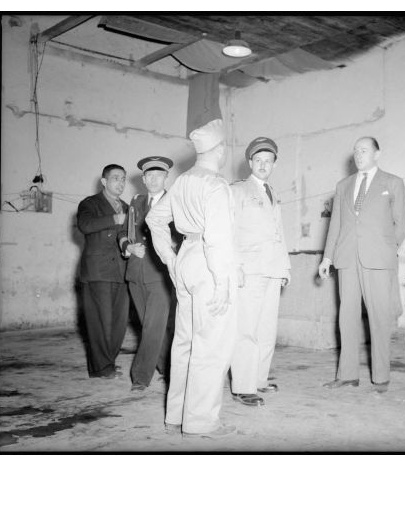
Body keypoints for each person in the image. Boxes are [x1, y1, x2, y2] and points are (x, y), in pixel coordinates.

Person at [146, 119, 237, 438]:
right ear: (220, 149)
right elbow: (218, 240)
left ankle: (175, 416)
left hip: (185, 257)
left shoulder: (183, 181)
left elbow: (154, 218)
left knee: (184, 341)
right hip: (208, 264)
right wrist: (224, 282)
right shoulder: (215, 185)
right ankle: (200, 422)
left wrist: (171, 259)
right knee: (211, 344)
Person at [318, 137, 405, 393]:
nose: (359, 154)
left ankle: (381, 376)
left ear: (377, 154)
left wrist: (387, 249)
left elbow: (402, 223)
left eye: (364, 150)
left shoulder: (392, 183)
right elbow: (335, 224)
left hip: (378, 260)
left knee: (380, 317)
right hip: (346, 259)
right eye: (356, 151)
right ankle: (347, 374)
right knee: (346, 316)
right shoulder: (343, 186)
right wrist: (327, 258)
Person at [230, 137, 291, 407]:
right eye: (258, 160)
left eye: (268, 161)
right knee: (246, 330)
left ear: (274, 164)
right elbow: (228, 232)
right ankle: (243, 386)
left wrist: (285, 267)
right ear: (249, 163)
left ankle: (259, 380)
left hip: (273, 269)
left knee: (267, 330)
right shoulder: (237, 191)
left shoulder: (272, 192)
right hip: (250, 270)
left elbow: (279, 232)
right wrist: (235, 267)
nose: (263, 165)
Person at [118, 156, 177, 392]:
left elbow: (181, 236)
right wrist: (128, 247)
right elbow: (124, 231)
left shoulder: (176, 201)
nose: (153, 179)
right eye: (149, 175)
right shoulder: (136, 201)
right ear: (143, 179)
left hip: (161, 273)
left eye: (159, 175)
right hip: (135, 271)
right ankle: (167, 367)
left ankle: (141, 376)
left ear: (166, 178)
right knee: (149, 325)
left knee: (153, 326)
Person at [77, 164, 129, 379]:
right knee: (100, 322)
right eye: (116, 178)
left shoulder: (127, 206)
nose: (121, 182)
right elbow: (85, 225)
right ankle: (100, 368)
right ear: (104, 181)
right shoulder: (90, 203)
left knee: (118, 322)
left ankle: (109, 361)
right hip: (98, 271)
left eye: (123, 179)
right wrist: (114, 220)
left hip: (121, 271)